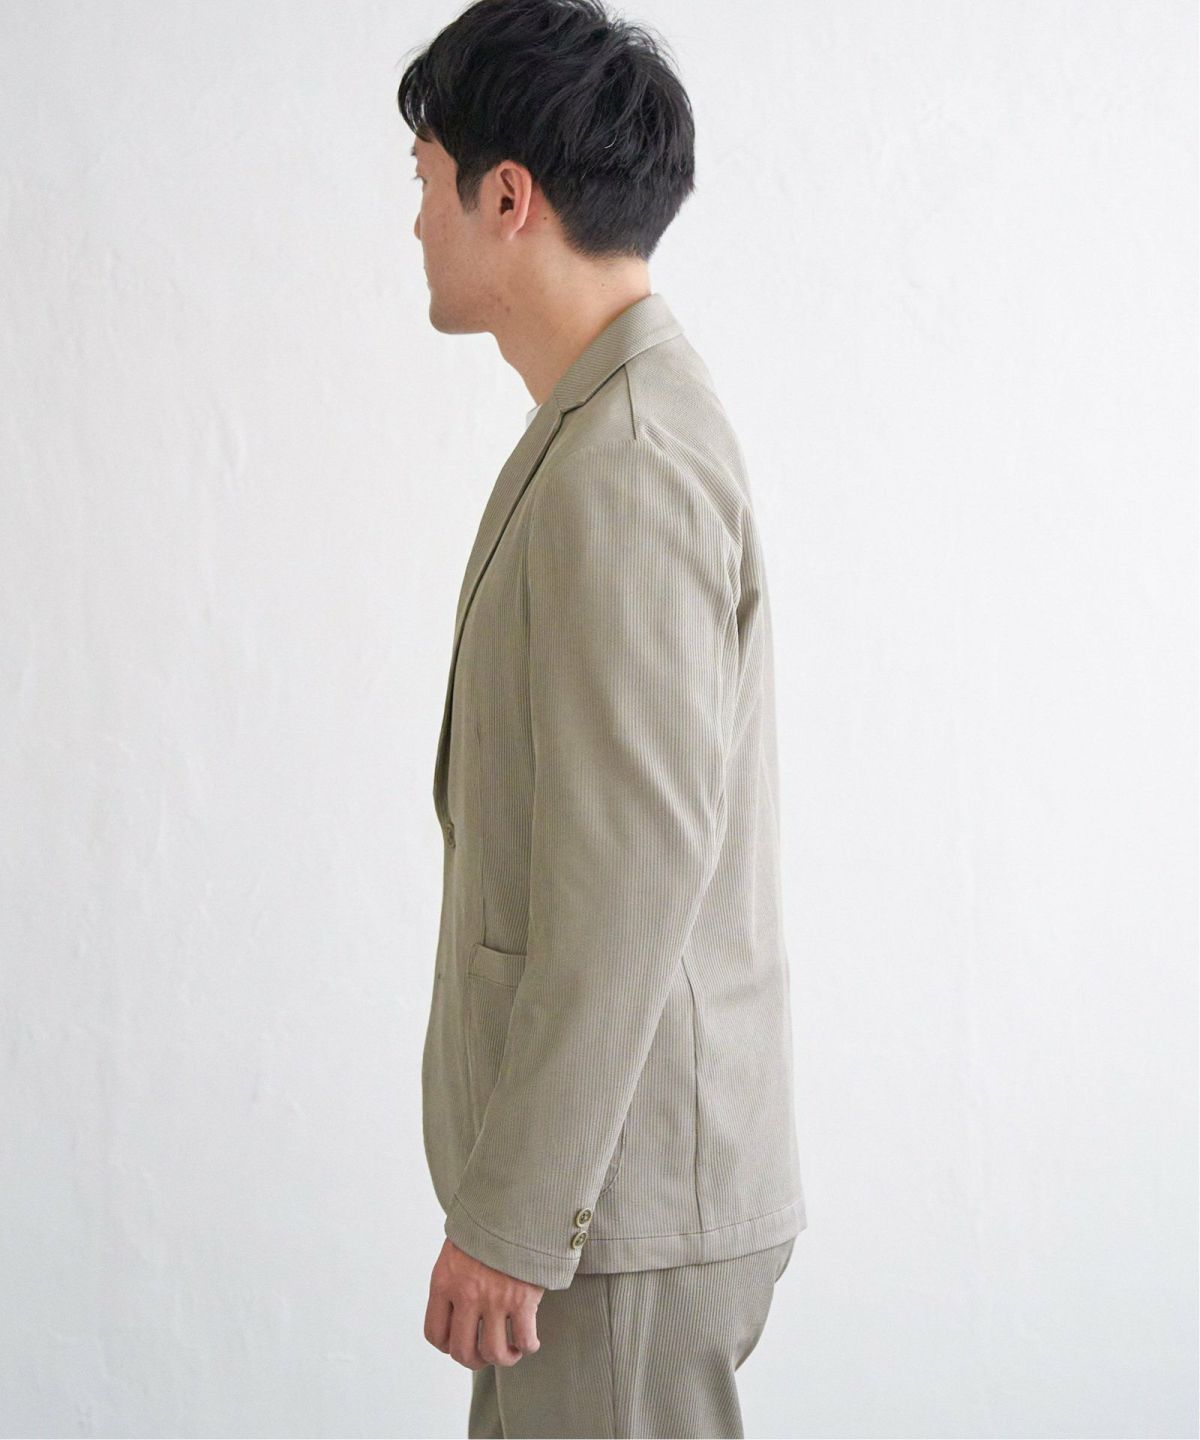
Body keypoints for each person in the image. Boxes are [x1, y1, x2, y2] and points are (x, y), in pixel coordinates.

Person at [399, 2, 807, 1434]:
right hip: (602, 1206)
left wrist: (518, 1214)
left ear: (507, 196)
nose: (415, 221)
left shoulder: (627, 457)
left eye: (424, 178)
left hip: (608, 1220)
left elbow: (633, 876)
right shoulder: (603, 423)